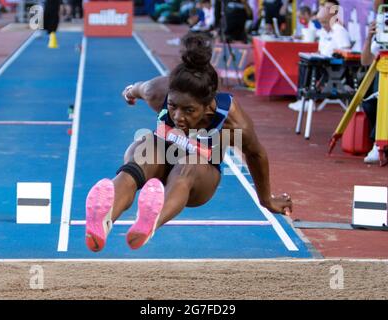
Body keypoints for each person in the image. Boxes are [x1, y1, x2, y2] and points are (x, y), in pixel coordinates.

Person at [84, 33, 293, 252]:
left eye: (189, 110)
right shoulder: (158, 92)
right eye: (173, 106)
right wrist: (129, 93)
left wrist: (266, 200)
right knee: (144, 149)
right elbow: (137, 89)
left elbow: (256, 154)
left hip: (198, 178)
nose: (178, 116)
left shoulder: (232, 122)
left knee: (189, 164)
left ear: (208, 106)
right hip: (160, 160)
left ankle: (150, 221)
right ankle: (104, 220)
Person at [288, 0, 351, 112]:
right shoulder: (323, 31)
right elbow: (321, 49)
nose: (323, 25)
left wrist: (332, 57)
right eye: (321, 22)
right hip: (323, 63)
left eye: (325, 22)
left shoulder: (339, 31)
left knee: (307, 67)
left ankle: (307, 101)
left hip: (334, 67)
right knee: (303, 63)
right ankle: (303, 99)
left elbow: (346, 53)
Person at [361, 0, 388, 163]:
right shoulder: (381, 26)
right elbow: (365, 61)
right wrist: (369, 38)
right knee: (371, 103)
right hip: (383, 83)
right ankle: (378, 145)